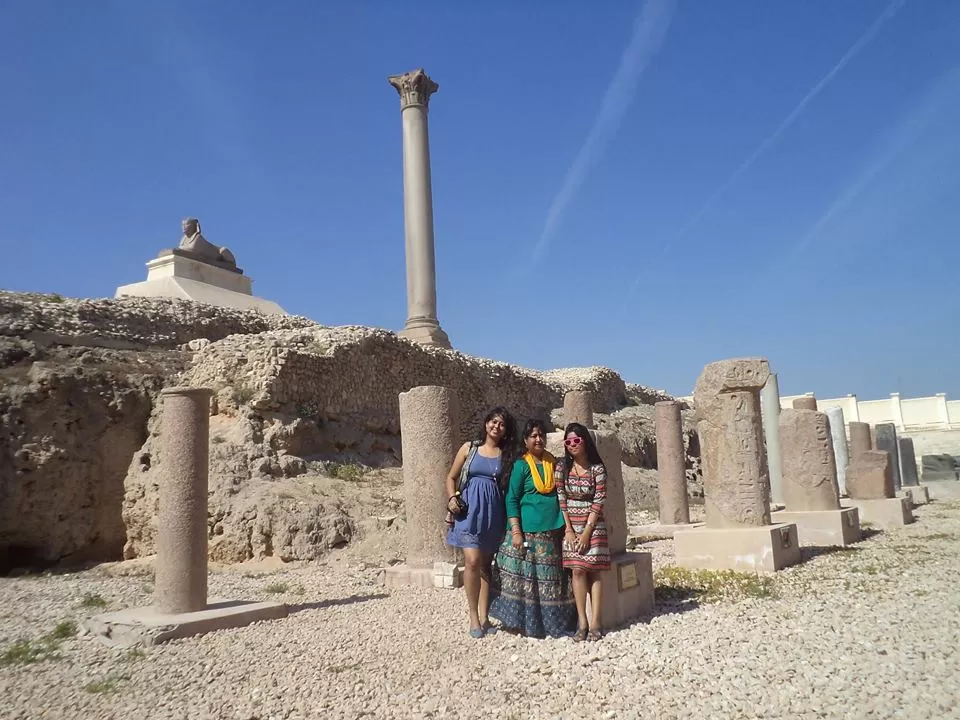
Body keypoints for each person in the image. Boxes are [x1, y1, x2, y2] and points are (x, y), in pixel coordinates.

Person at [488, 419, 576, 638]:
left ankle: (553, 625)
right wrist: (516, 531)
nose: (539, 439)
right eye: (534, 436)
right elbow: (512, 499)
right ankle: (527, 625)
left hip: (551, 533)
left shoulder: (553, 463)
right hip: (528, 533)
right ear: (526, 440)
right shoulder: (521, 466)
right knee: (528, 583)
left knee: (551, 583)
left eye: (541, 435)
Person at [445, 407, 517, 638]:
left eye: (501, 424)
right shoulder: (469, 448)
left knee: (486, 565)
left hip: (493, 513)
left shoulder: (506, 454)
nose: (496, 426)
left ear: (506, 431)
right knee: (472, 561)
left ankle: (485, 616)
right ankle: (473, 615)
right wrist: (452, 498)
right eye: (493, 422)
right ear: (486, 423)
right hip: (468, 512)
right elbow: (451, 477)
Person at [556, 422, 610, 642]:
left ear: (585, 441)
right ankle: (582, 621)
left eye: (576, 440)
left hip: (593, 524)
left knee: (594, 570)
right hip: (571, 525)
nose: (572, 445)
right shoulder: (562, 468)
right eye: (568, 442)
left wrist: (587, 531)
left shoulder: (598, 469)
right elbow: (561, 498)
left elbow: (599, 501)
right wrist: (568, 529)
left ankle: (596, 620)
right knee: (577, 571)